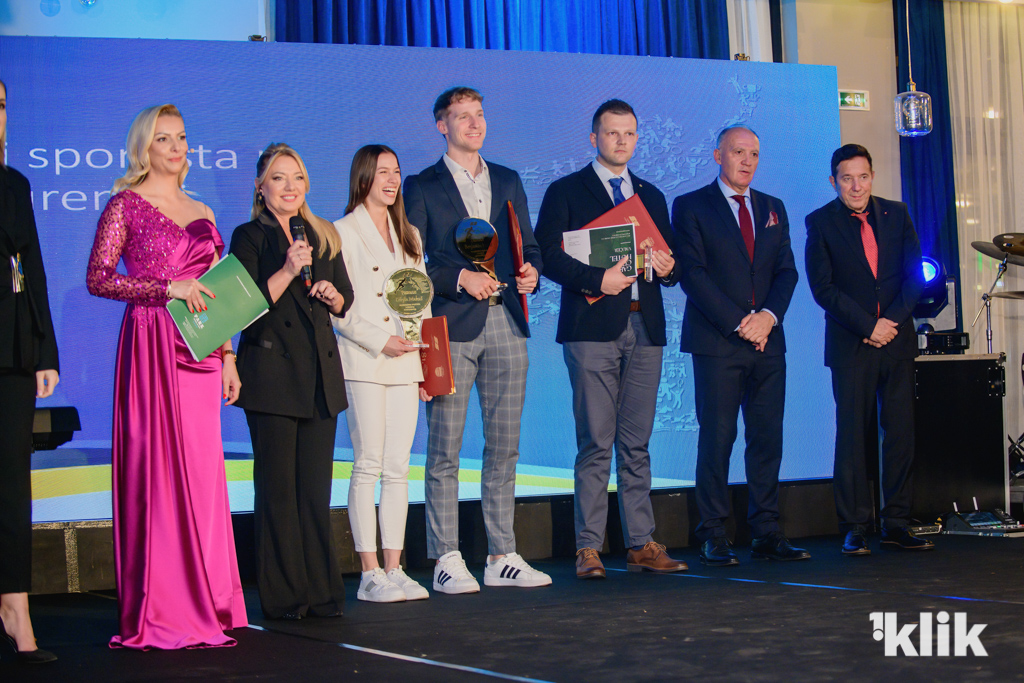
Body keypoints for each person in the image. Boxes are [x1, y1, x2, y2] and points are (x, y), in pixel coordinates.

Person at [86, 104, 247, 649]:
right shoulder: (125, 205)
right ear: (144, 147)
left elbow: (219, 291)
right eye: (163, 139)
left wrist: (228, 356)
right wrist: (164, 288)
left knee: (202, 474)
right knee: (159, 471)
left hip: (202, 351)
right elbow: (98, 278)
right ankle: (165, 606)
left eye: (181, 138)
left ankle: (214, 598)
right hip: (152, 344)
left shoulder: (202, 208)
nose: (176, 148)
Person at [404, 86, 550, 593]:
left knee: (505, 446)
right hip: (450, 327)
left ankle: (501, 555)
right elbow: (411, 264)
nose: (474, 123)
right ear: (441, 126)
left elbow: (528, 245)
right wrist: (458, 278)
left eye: (479, 114)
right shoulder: (422, 185)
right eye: (462, 116)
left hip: (505, 320)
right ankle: (446, 556)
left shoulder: (507, 179)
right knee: (445, 447)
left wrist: (532, 272)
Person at [534, 99, 688, 579]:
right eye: (612, 133)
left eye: (629, 133)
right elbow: (548, 256)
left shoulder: (651, 195)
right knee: (596, 442)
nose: (621, 141)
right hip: (592, 328)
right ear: (594, 138)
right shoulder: (566, 190)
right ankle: (589, 547)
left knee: (637, 443)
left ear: (637, 139)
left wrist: (669, 268)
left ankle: (642, 543)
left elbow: (670, 262)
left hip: (646, 327)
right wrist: (596, 279)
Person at [672, 125, 809, 567]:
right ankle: (713, 533)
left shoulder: (772, 207)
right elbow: (692, 274)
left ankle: (766, 531)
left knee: (766, 439)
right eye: (738, 152)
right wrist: (739, 322)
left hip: (768, 341)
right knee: (718, 439)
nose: (747, 161)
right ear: (718, 156)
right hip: (717, 342)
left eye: (754, 153)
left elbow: (786, 272)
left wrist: (768, 317)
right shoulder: (691, 205)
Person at [230, 143, 353, 619]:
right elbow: (242, 307)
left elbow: (346, 298)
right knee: (278, 492)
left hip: (320, 376)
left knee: (314, 493)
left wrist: (333, 295)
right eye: (278, 178)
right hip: (272, 377)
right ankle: (285, 597)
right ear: (260, 187)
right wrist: (287, 269)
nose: (289, 186)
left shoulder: (322, 233)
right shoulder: (249, 236)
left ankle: (322, 593)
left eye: (297, 177)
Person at [804, 144, 931, 554]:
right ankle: (855, 525)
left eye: (862, 177)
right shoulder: (820, 221)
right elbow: (823, 288)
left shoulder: (898, 213)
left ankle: (896, 522)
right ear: (834, 181)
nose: (856, 186)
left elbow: (915, 275)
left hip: (896, 340)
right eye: (847, 178)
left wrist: (889, 322)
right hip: (851, 344)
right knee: (852, 436)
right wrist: (868, 326)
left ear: (872, 177)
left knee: (900, 434)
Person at [332, 145, 431, 603]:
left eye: (396, 172)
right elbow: (337, 308)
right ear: (363, 177)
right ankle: (369, 572)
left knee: (398, 467)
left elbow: (421, 302)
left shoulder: (409, 233)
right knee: (368, 462)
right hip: (365, 359)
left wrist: (426, 365)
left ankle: (395, 566)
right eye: (382, 172)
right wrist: (379, 340)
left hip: (406, 361)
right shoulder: (341, 231)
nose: (391, 181)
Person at [0, 77, 60, 664]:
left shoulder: (15, 183)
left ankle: (15, 607)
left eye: (0, 106)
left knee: (12, 484)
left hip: (11, 348)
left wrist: (45, 351)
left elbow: (33, 267)